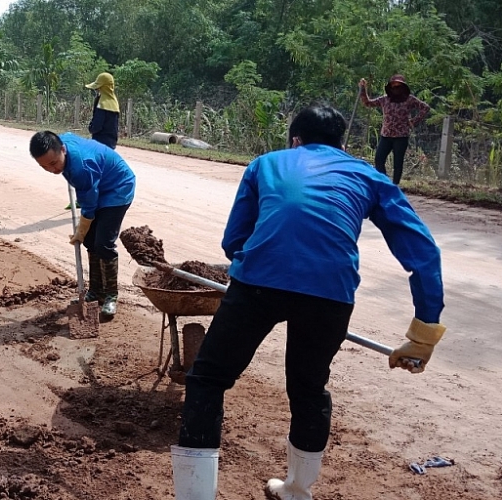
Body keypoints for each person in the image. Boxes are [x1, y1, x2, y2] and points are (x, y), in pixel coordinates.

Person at [171, 105, 446, 500]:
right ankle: (296, 490)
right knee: (308, 388)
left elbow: (234, 241)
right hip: (330, 293)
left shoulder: (265, 164)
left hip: (258, 285)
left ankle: (195, 496)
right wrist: (423, 334)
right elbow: (422, 253)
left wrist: (261, 266)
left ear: (294, 140)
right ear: (343, 145)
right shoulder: (369, 176)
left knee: (208, 380)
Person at [29, 131, 135, 317]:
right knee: (90, 242)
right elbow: (68, 134)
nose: (52, 170)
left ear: (63, 149)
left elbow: (88, 208)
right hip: (98, 183)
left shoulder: (81, 169)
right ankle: (95, 291)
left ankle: (110, 295)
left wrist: (80, 230)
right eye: (44, 166)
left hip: (118, 188)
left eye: (54, 163)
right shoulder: (61, 142)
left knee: (103, 243)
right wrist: (84, 235)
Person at [359, 75, 430, 185]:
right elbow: (367, 103)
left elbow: (425, 108)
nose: (396, 89)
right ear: (390, 88)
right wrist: (363, 88)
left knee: (397, 163)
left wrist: (414, 121)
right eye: (394, 86)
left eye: (398, 86)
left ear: (403, 88)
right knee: (379, 159)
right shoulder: (384, 99)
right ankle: (385, 183)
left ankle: (395, 185)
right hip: (386, 136)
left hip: (401, 136)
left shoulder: (409, 99)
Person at [85, 72, 120, 149]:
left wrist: (91, 128)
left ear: (102, 88)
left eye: (98, 88)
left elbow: (96, 126)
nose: (97, 90)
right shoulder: (114, 103)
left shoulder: (102, 103)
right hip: (111, 143)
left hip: (99, 143)